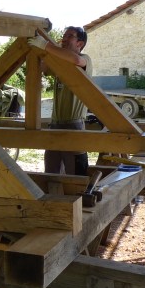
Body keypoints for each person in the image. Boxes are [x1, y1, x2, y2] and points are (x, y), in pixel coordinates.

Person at [32, 26, 93, 176]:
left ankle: (77, 199)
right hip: (55, 124)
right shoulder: (60, 64)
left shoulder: (85, 59)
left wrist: (45, 45)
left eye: (69, 36)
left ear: (80, 43)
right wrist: (42, 48)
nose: (64, 39)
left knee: (75, 176)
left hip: (74, 125)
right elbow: (44, 67)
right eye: (63, 36)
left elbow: (76, 59)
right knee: (51, 174)